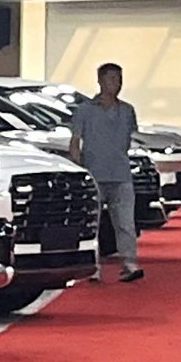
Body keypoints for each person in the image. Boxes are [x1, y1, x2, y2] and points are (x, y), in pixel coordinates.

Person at [63, 61, 145, 283]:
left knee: (126, 222)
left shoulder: (127, 111)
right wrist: (80, 168)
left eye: (119, 79)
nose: (116, 84)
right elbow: (75, 142)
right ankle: (93, 266)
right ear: (99, 81)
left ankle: (129, 262)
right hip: (94, 173)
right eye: (111, 79)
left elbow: (130, 140)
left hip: (121, 173)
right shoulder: (84, 111)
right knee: (93, 224)